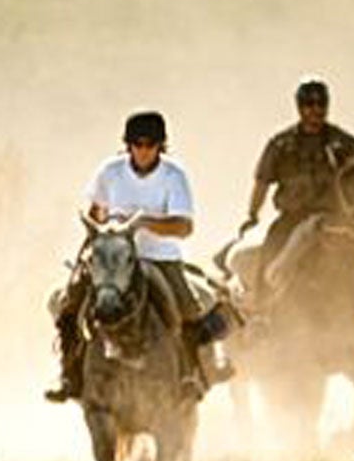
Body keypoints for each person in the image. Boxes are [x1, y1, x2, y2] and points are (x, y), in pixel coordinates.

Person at [46, 111, 231, 403]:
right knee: (68, 304)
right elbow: (97, 209)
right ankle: (68, 373)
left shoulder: (174, 175)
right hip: (111, 257)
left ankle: (189, 373)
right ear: (128, 145)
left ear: (160, 146)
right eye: (137, 144)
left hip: (159, 256)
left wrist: (146, 223)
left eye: (150, 144)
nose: (143, 150)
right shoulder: (110, 171)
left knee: (188, 309)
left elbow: (184, 227)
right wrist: (102, 231)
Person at [240, 78, 354, 342]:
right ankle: (261, 315)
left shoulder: (344, 143)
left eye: (320, 104)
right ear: (299, 107)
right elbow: (262, 181)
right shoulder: (281, 144)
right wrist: (252, 215)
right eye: (309, 104)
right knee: (272, 247)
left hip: (334, 217)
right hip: (292, 218)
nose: (315, 110)